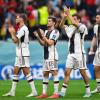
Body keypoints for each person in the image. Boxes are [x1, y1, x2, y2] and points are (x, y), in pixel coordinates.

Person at [59, 7, 91, 98]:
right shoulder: (70, 27)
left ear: (79, 20)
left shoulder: (83, 27)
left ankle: (88, 91)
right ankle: (63, 92)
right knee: (66, 72)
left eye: (75, 19)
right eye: (73, 18)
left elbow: (74, 23)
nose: (73, 20)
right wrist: (64, 17)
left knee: (83, 73)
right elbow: (61, 25)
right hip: (71, 54)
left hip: (79, 54)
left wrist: (68, 14)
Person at [2, 14, 37, 97]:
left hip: (23, 53)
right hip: (19, 53)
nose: (16, 19)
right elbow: (17, 41)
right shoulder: (20, 29)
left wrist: (11, 33)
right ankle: (12, 91)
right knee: (15, 71)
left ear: (22, 19)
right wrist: (14, 33)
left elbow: (14, 40)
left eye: (17, 18)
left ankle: (34, 91)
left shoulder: (23, 29)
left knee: (26, 72)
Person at [33, 16, 59, 98]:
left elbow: (51, 43)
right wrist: (38, 36)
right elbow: (44, 44)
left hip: (52, 55)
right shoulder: (47, 31)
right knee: (45, 73)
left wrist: (43, 35)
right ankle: (44, 93)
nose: (48, 22)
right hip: (46, 55)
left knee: (54, 72)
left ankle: (56, 93)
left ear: (54, 23)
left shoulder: (55, 32)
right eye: (48, 21)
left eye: (50, 21)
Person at [89, 12, 100, 94]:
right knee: (96, 68)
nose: (96, 19)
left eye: (97, 18)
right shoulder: (96, 27)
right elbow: (95, 37)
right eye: (96, 17)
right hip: (99, 50)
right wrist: (92, 48)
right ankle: (99, 87)